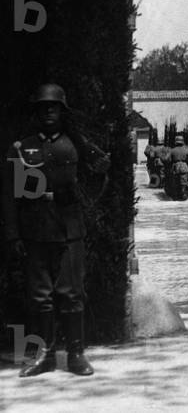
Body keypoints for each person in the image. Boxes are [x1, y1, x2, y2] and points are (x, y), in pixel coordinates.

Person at [2, 84, 110, 377]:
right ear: (35, 111)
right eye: (43, 107)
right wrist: (13, 235)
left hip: (69, 227)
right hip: (35, 228)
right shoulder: (21, 148)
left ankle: (76, 354)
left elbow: (99, 178)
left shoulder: (76, 145)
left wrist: (89, 194)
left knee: (72, 292)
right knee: (39, 295)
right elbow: (10, 195)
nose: (48, 111)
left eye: (54, 107)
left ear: (63, 111)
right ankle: (46, 355)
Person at [168, 135, 188, 200]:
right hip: (184, 166)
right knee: (183, 181)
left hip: (175, 166)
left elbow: (169, 159)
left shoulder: (172, 150)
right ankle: (183, 193)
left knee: (175, 181)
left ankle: (176, 195)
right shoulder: (186, 150)